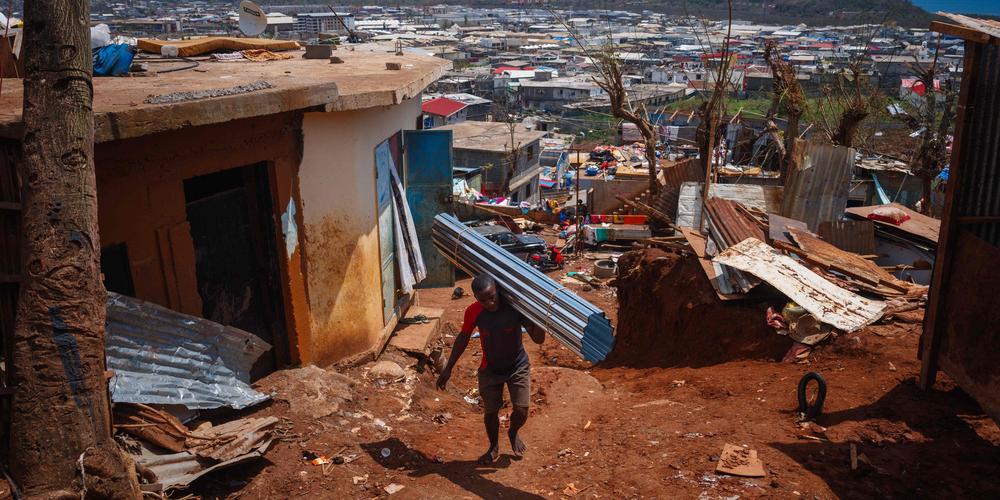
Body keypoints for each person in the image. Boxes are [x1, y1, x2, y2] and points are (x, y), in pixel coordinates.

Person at [436, 274, 546, 464]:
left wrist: (537, 316)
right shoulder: (474, 312)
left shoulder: (515, 308)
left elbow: (538, 339)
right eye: (483, 300)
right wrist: (448, 368)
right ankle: (493, 446)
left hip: (517, 365)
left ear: (498, 291)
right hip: (490, 369)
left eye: (492, 297)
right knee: (491, 412)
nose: (489, 303)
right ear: (476, 298)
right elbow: (463, 337)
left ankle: (513, 432)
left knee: (521, 410)